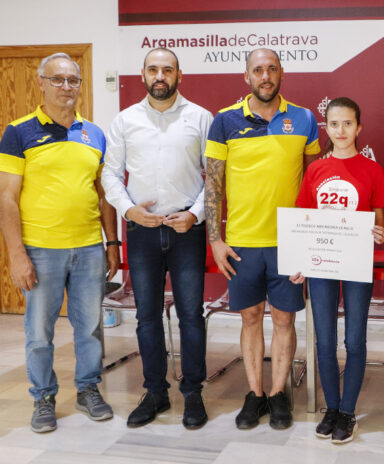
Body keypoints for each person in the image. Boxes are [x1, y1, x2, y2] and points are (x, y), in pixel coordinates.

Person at [0, 53, 119, 433]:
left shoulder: (94, 134)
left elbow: (103, 195)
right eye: (58, 80)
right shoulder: (18, 132)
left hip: (88, 248)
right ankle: (44, 398)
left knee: (89, 328)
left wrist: (112, 243)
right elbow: (6, 197)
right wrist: (16, 254)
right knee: (39, 331)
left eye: (73, 80)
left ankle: (88, 389)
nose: (66, 87)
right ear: (41, 83)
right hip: (40, 250)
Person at [204, 48, 320, 430]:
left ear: (282, 73)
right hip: (241, 242)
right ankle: (254, 394)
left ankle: (278, 393)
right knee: (251, 317)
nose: (265, 76)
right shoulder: (224, 121)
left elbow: (314, 181)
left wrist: (309, 242)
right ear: (247, 77)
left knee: (285, 319)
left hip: (289, 241)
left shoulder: (304, 118)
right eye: (258, 70)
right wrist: (216, 240)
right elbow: (213, 185)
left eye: (272, 69)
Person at [102, 48, 213, 430]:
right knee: (147, 317)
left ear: (179, 75)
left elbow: (214, 178)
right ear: (143, 75)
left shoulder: (201, 117)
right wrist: (129, 211)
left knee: (191, 317)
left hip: (187, 230)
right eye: (153, 69)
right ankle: (155, 393)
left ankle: (193, 393)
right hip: (142, 231)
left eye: (167, 69)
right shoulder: (124, 121)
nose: (160, 76)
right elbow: (110, 175)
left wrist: (195, 214)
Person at [289, 97, 384, 443]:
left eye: (348, 123)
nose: (341, 130)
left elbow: (380, 224)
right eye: (334, 124)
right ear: (326, 128)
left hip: (356, 264)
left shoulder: (373, 170)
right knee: (325, 338)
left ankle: (348, 411)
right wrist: (299, 262)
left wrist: (381, 233)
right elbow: (305, 219)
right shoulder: (316, 170)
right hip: (321, 266)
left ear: (359, 128)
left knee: (354, 339)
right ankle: (331, 408)